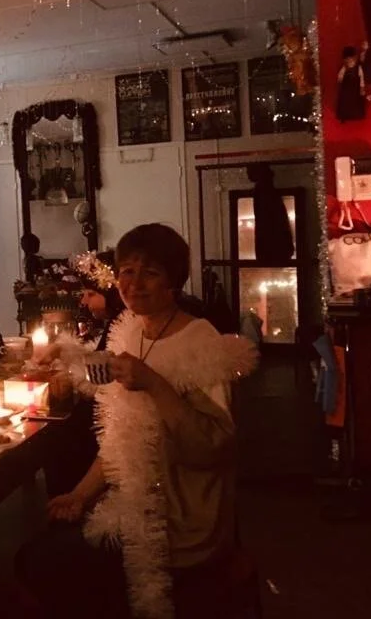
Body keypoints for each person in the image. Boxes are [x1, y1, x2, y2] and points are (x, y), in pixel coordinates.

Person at [17, 224, 257, 618]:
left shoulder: (201, 343)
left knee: (44, 564)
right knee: (37, 555)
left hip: (181, 522)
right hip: (134, 505)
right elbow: (121, 436)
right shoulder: (130, 331)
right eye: (127, 271)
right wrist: (80, 495)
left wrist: (154, 384)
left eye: (151, 272)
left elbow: (214, 447)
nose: (134, 283)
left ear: (173, 281)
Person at [32, 251, 125, 495]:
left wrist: (67, 373)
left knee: (56, 439)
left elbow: (101, 376)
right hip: (99, 413)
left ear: (113, 293)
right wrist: (62, 350)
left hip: (107, 420)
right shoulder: (115, 321)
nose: (84, 301)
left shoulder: (124, 324)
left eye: (91, 294)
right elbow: (96, 356)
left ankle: (69, 502)